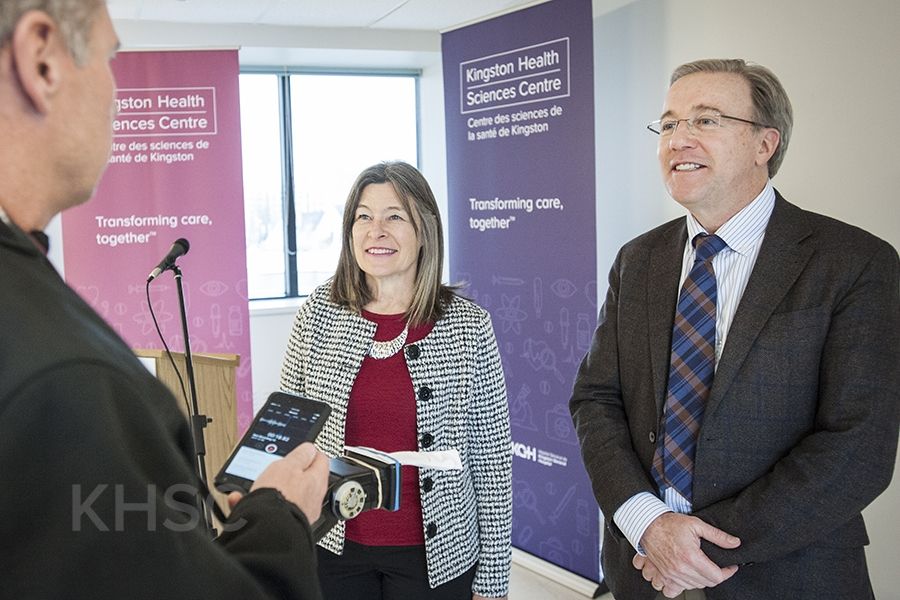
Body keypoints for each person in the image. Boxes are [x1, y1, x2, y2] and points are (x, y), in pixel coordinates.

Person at [0, 2, 329, 598]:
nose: (114, 94)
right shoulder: (69, 383)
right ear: (41, 59)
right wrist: (280, 511)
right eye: (108, 58)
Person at [570, 58, 899, 600]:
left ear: (764, 144)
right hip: (642, 566)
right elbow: (596, 400)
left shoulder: (853, 263)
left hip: (787, 574)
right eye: (670, 124)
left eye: (706, 120)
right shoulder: (639, 260)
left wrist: (697, 550)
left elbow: (856, 448)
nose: (679, 140)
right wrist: (648, 523)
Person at [280, 160, 512, 600]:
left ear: (423, 229)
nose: (376, 231)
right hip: (331, 547)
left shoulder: (467, 326)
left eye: (394, 217)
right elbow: (292, 435)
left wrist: (493, 580)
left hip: (436, 556)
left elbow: (492, 462)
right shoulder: (318, 313)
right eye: (363, 216)